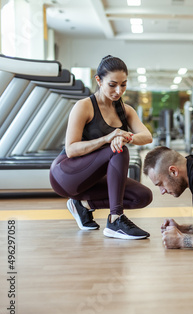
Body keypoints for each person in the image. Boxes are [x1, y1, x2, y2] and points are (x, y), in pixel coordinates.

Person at [50, 55, 153, 240]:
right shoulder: (84, 107)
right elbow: (71, 149)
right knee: (118, 150)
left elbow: (147, 136)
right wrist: (108, 138)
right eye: (112, 84)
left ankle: (83, 206)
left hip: (93, 179)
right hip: (66, 174)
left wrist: (124, 136)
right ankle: (116, 219)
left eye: (123, 84)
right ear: (99, 80)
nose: (118, 90)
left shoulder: (126, 110)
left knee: (143, 196)